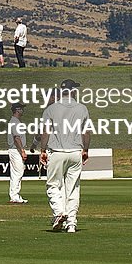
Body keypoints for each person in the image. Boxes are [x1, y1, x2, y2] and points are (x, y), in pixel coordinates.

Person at [38, 79, 90, 233]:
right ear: (73, 91)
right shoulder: (82, 108)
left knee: (53, 185)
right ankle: (72, 223)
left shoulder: (51, 109)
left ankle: (59, 212)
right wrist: (86, 150)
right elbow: (86, 131)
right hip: (75, 152)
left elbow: (45, 131)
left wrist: (42, 150)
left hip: (57, 152)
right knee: (73, 188)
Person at [7, 103, 28, 203]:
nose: (23, 111)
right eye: (22, 109)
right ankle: (14, 195)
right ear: (17, 110)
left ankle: (16, 195)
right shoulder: (15, 122)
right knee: (17, 172)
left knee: (18, 172)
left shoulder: (16, 122)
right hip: (15, 150)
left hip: (16, 150)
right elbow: (17, 138)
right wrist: (22, 151)